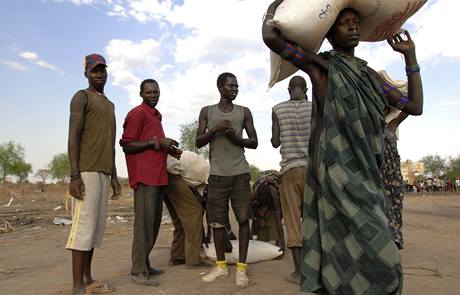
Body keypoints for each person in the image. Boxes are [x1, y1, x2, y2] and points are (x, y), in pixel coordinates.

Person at [263, 1, 423, 294]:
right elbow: (271, 38)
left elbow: (414, 106)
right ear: (328, 32)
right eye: (344, 22)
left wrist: (410, 58)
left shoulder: (369, 76)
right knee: (349, 250)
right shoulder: (320, 66)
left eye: (355, 23)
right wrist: (277, 4)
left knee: (381, 255)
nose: (352, 27)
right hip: (336, 178)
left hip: (368, 178)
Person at [196, 72, 258, 288]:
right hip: (217, 174)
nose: (235, 89)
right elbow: (198, 142)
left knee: (243, 220)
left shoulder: (244, 112)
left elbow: (254, 142)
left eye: (237, 86)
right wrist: (214, 129)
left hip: (240, 172)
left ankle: (242, 269)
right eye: (231, 86)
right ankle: (221, 266)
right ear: (220, 87)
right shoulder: (207, 111)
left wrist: (235, 138)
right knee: (217, 222)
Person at [66, 53, 121, 295]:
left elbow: (110, 144)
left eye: (102, 70)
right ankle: (77, 286)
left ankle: (88, 279)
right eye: (94, 70)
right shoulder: (81, 97)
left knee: (95, 230)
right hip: (86, 172)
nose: (99, 74)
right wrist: (74, 175)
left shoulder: (109, 104)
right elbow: (73, 136)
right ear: (86, 73)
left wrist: (115, 176)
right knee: (83, 229)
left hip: (104, 172)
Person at [119, 79, 181, 287]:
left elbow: (155, 144)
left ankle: (144, 264)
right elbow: (127, 145)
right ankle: (137, 270)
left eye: (156, 92)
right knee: (144, 225)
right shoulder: (138, 113)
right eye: (149, 92)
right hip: (145, 177)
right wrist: (156, 143)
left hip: (158, 176)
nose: (153, 95)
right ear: (141, 94)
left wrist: (168, 148)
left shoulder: (156, 116)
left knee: (153, 225)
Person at [271, 75, 312, 284]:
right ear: (306, 90)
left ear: (289, 90)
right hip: (313, 170)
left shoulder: (278, 109)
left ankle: (299, 272)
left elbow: (275, 142)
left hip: (289, 169)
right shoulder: (315, 107)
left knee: (293, 221)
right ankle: (318, 268)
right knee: (315, 219)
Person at [164, 150, 211, 268]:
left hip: (163, 172)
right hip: (172, 174)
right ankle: (193, 260)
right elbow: (206, 204)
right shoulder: (210, 176)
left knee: (181, 219)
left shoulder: (201, 172)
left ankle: (178, 257)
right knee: (194, 213)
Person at [382, 107, 409, 249]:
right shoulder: (368, 130)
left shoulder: (391, 126)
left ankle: (396, 238)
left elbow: (410, 109)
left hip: (394, 175)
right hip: (380, 176)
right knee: (384, 210)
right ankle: (390, 240)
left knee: (396, 208)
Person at [251, 170, 285, 251]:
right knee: (257, 217)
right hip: (261, 184)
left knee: (277, 216)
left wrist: (282, 241)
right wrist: (251, 240)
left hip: (276, 189)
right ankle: (255, 240)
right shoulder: (253, 193)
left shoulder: (274, 193)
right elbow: (254, 219)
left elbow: (278, 215)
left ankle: (278, 242)